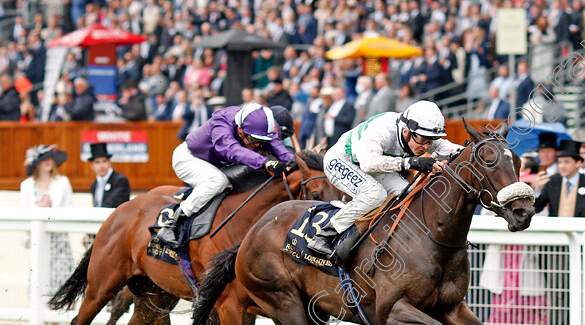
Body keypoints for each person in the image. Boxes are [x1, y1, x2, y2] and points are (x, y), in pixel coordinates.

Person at [308, 100, 463, 256]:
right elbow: (369, 164)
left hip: (371, 164)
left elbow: (443, 146)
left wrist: (470, 149)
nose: (426, 147)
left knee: (406, 193)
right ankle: (323, 236)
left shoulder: (417, 132)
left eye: (429, 141)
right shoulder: (382, 130)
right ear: (406, 132)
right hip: (341, 160)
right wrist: (412, 162)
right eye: (423, 140)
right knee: (375, 194)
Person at [157, 103, 295, 245]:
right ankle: (172, 222)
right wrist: (265, 162)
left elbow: (279, 148)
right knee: (218, 181)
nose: (257, 145)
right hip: (189, 157)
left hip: (217, 163)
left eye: (262, 141)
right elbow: (231, 149)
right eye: (254, 140)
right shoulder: (222, 121)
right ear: (240, 130)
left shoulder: (259, 129)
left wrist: (296, 161)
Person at [532, 139, 585, 325]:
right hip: (556, 249)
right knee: (557, 295)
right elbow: (536, 207)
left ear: (578, 163)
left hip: (581, 248)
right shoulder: (552, 182)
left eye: (567, 162)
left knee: (578, 295)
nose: (562, 166)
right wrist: (536, 191)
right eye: (560, 162)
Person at [20, 145, 73, 325]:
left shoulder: (63, 182)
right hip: (38, 240)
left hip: (58, 240)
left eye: (50, 158)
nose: (48, 162)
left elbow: (68, 210)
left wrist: (51, 211)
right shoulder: (26, 185)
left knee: (60, 278)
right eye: (43, 159)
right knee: (39, 276)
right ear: (36, 164)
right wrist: (40, 210)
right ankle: (40, 319)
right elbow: (24, 213)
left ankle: (56, 321)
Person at [89, 143, 131, 208]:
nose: (101, 166)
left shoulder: (120, 180)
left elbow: (112, 203)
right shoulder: (94, 185)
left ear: (110, 163)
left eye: (104, 161)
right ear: (91, 165)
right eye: (97, 162)